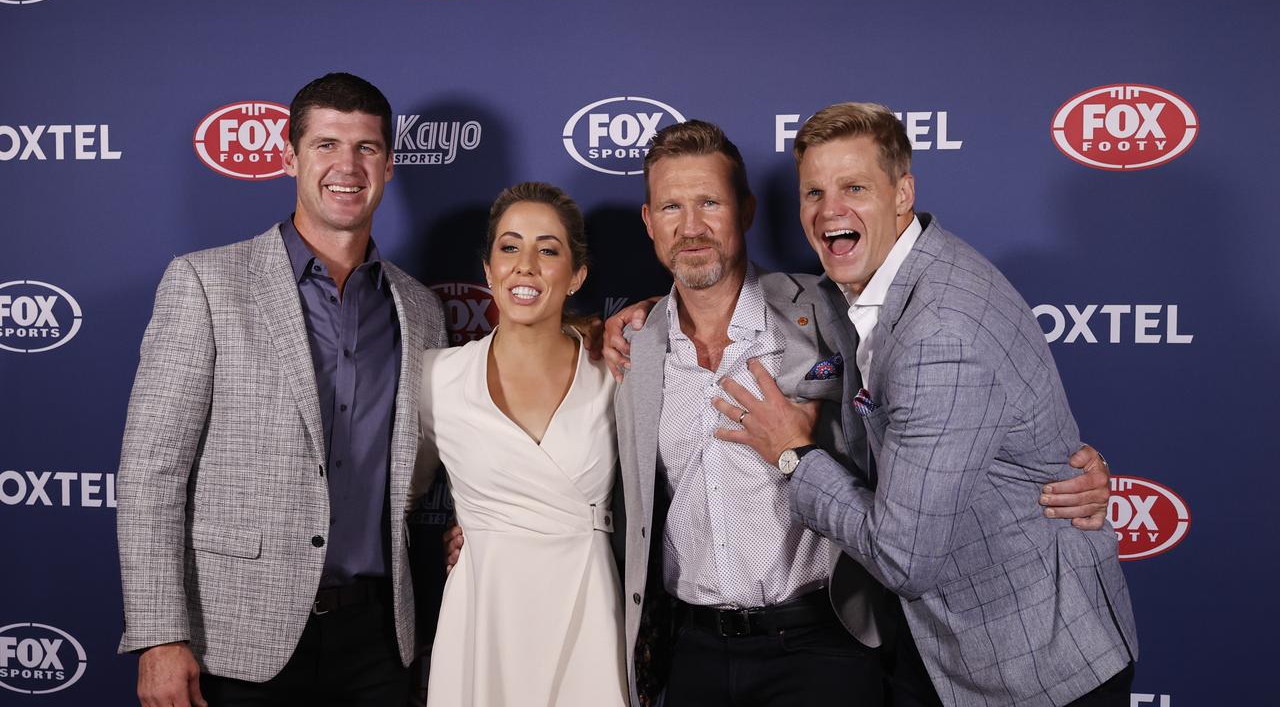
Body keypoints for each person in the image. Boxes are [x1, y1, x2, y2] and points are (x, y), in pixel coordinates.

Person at [591, 120, 1113, 707]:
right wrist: (588, 326)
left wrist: (1056, 465)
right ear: (648, 222)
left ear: (746, 210)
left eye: (709, 202)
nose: (691, 227)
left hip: (824, 645)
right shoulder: (631, 346)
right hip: (694, 652)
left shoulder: (838, 308)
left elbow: (966, 389)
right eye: (671, 207)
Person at [116, 72, 446, 707]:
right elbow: (150, 473)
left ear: (390, 165)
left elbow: (431, 464)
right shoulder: (205, 284)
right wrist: (160, 636)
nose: (346, 166)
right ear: (289, 156)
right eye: (325, 145)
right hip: (234, 639)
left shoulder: (419, 307)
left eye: (366, 148)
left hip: (378, 641)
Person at [416, 182, 628, 706]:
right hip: (483, 616)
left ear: (576, 274)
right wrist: (464, 527)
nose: (526, 265)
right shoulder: (435, 378)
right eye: (509, 247)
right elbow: (403, 496)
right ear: (488, 269)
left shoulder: (617, 373)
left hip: (590, 614)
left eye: (548, 249)